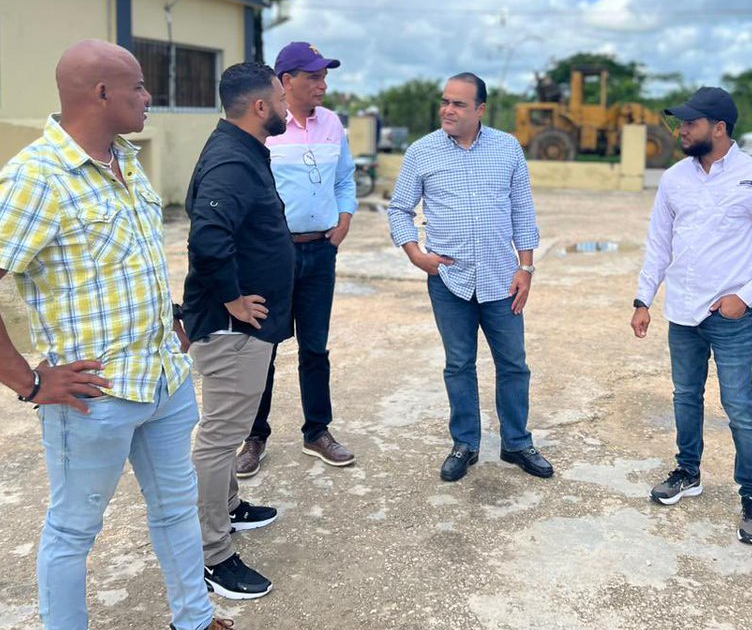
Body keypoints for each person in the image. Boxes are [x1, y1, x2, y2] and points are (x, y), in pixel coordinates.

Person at [0, 40, 265, 630]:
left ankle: (195, 629)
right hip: (95, 397)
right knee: (74, 531)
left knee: (174, 511)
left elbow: (122, 265)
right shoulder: (36, 178)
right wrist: (30, 382)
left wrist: (167, 320)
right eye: (138, 86)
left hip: (162, 379)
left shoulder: (124, 161)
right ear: (101, 93)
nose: (148, 96)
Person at [631, 86, 752, 545]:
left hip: (729, 316)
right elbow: (659, 245)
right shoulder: (674, 179)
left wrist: (745, 296)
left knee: (739, 406)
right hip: (682, 312)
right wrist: (643, 299)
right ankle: (688, 472)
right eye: (680, 123)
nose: (681, 130)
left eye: (689, 123)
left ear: (719, 128)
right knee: (685, 395)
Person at [387, 72, 553, 483]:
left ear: (480, 109)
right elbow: (398, 209)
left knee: (513, 365)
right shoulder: (422, 152)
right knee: (459, 364)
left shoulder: (507, 148)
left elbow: (523, 213)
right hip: (449, 280)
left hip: (502, 280)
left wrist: (526, 268)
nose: (448, 109)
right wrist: (415, 255)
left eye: (459, 104)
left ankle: (516, 442)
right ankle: (465, 443)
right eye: (445, 101)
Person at [182, 62, 295, 600]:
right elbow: (207, 239)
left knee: (229, 424)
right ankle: (211, 553)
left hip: (245, 326)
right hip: (232, 328)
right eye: (280, 96)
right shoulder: (231, 160)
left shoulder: (244, 150)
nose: (287, 103)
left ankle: (229, 506)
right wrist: (231, 297)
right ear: (259, 106)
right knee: (220, 436)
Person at [234, 41, 357, 478]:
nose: (322, 84)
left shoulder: (332, 124)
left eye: (325, 76)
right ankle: (254, 436)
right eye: (313, 76)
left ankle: (317, 431)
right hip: (273, 255)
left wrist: (342, 222)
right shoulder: (268, 127)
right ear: (287, 81)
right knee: (262, 346)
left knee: (315, 347)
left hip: (320, 251)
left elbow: (346, 178)